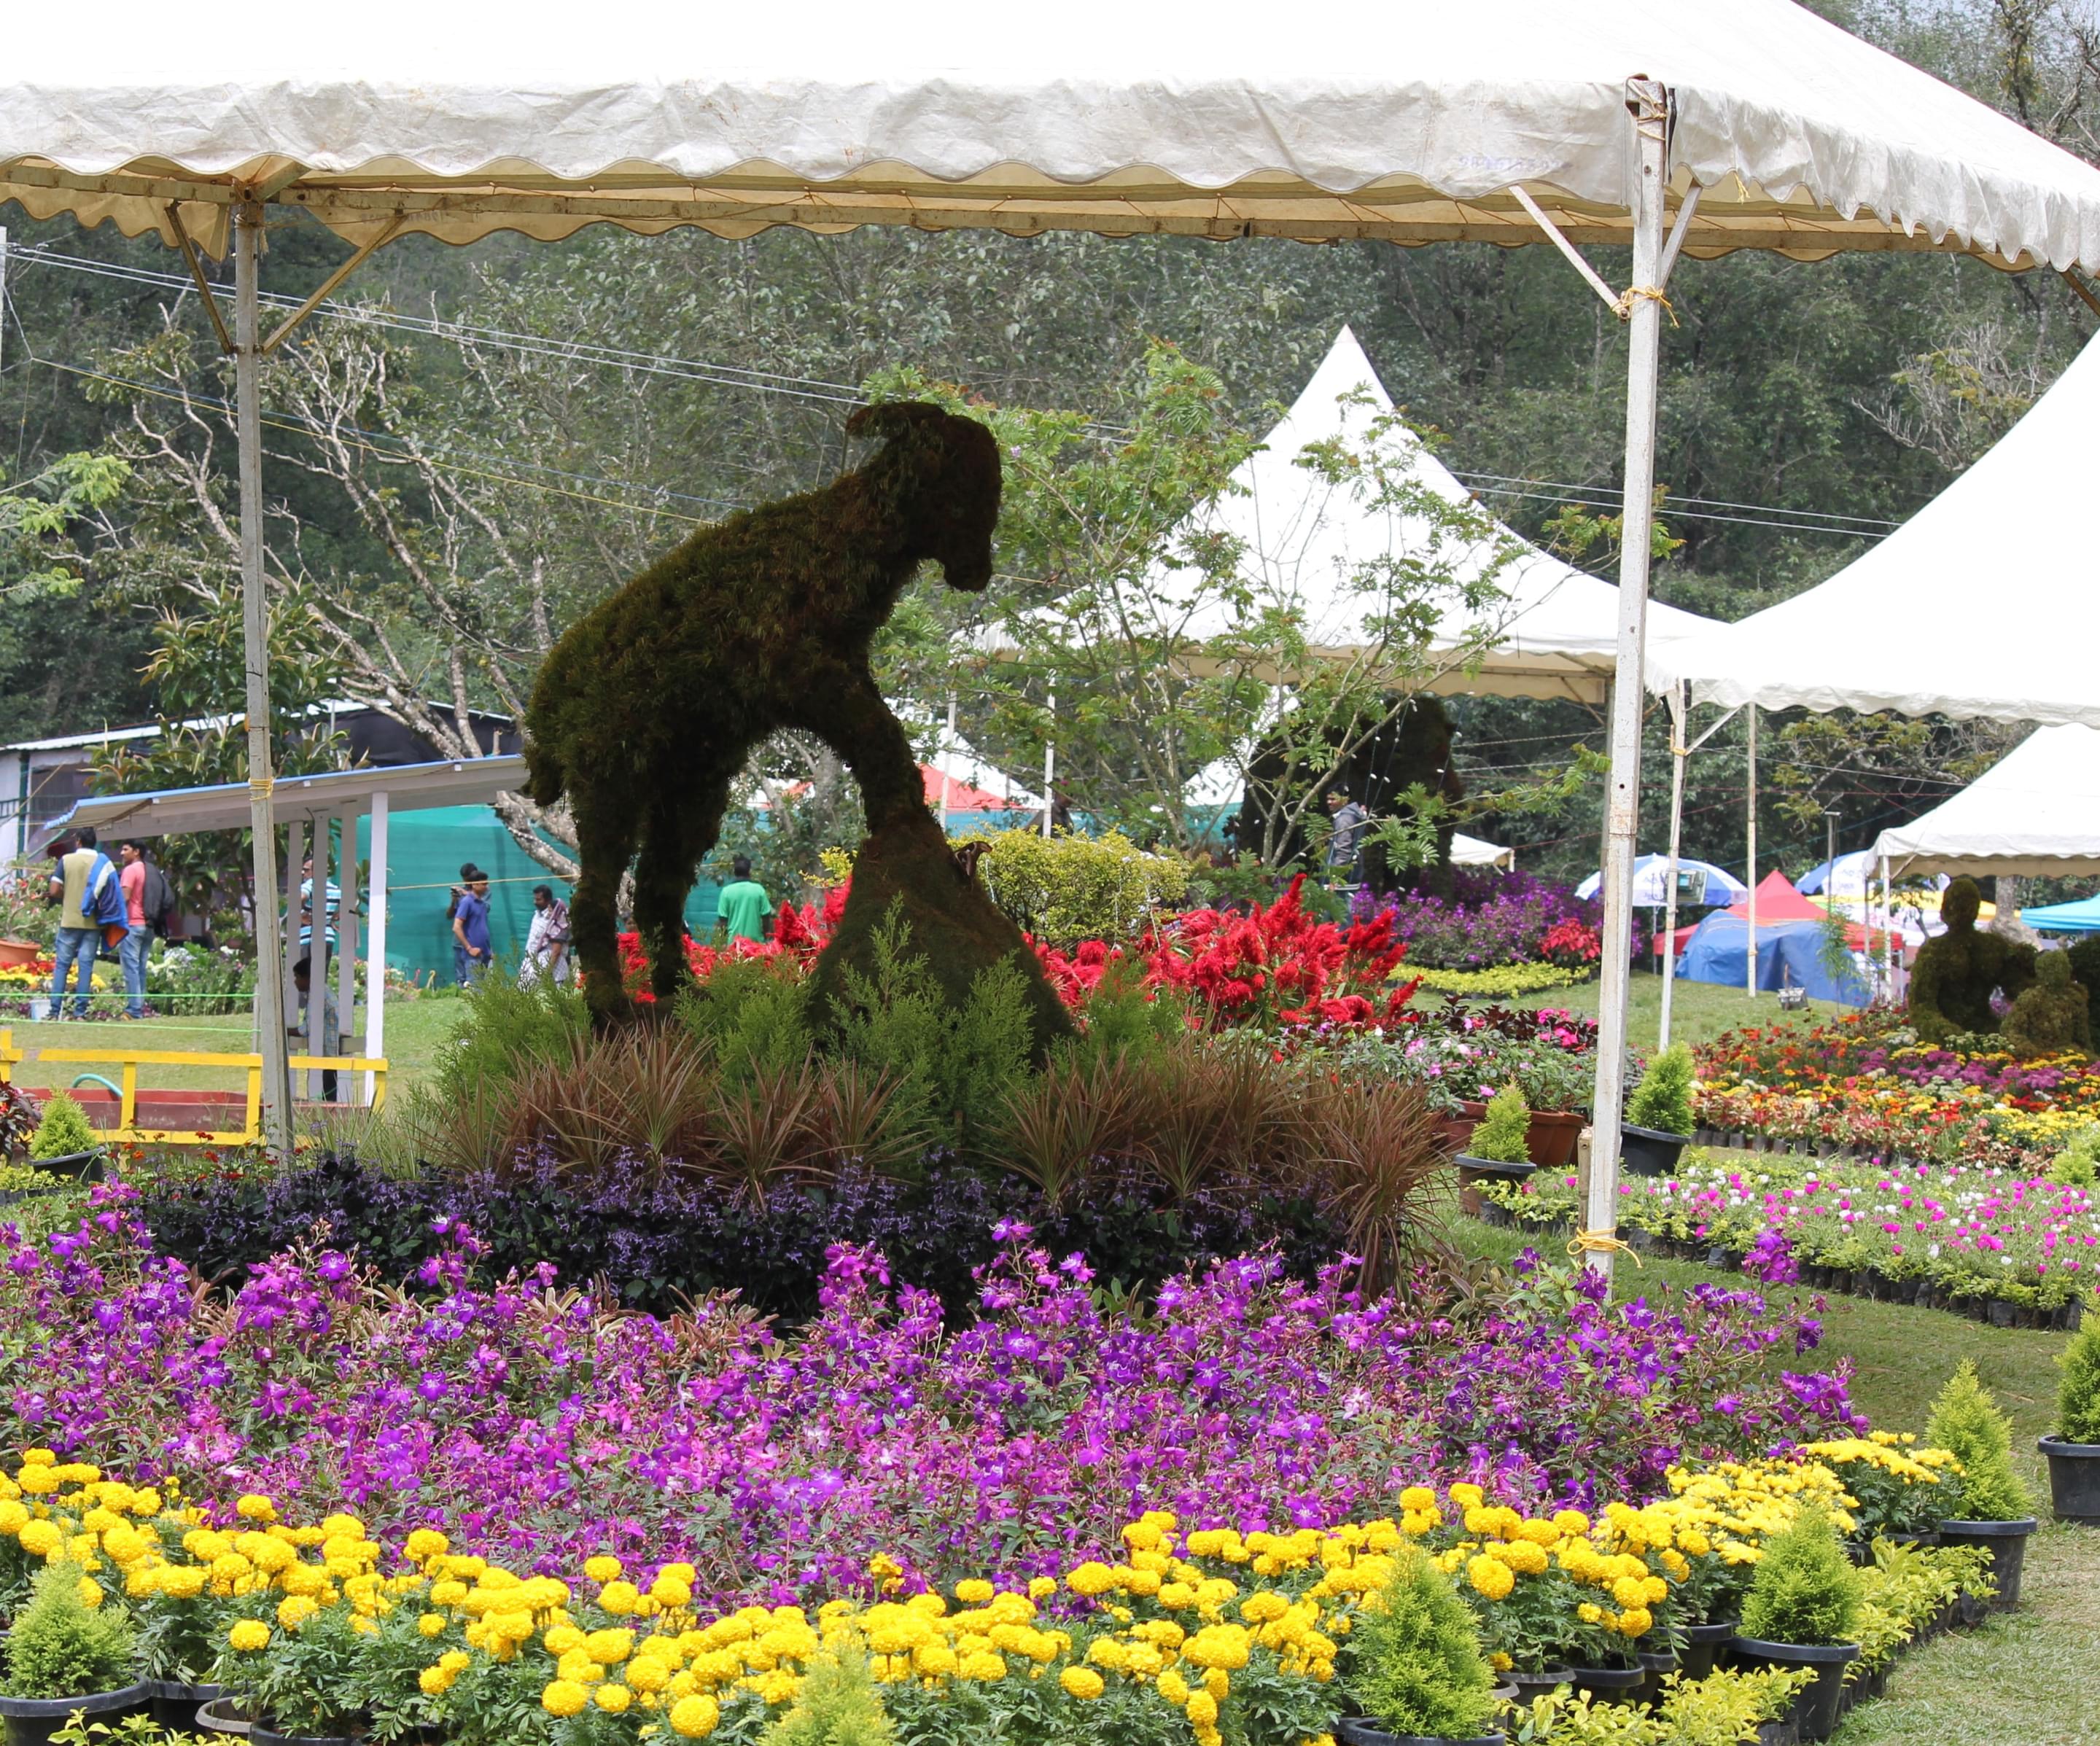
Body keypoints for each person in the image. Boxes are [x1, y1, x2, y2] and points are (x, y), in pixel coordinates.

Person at [44, 827, 117, 1020]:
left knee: (62, 966)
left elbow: (53, 890)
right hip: (93, 924)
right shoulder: (102, 863)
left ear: (78, 841)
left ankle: (54, 1012)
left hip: (69, 921)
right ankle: (80, 1013)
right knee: (86, 967)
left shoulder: (66, 861)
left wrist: (67, 897)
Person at [290, 954, 341, 1101]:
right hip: (332, 1054)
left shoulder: (319, 996)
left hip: (329, 1057)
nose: (295, 981)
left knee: (328, 1100)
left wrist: (283, 1030)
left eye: (297, 977)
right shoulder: (324, 992)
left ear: (307, 977)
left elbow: (306, 1029)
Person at [117, 841, 153, 1020]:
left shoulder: (130, 870)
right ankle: (140, 1007)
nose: (122, 853)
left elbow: (125, 896)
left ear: (136, 852)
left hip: (132, 924)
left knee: (130, 968)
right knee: (140, 968)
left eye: (126, 849)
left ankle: (134, 1009)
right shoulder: (149, 870)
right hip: (148, 925)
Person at [715, 855, 771, 946]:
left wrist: (724, 943)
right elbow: (766, 917)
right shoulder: (759, 890)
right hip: (756, 945)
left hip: (734, 946)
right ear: (749, 871)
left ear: (734, 872)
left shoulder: (726, 892)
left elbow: (723, 921)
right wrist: (766, 937)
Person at [522, 884, 572, 986]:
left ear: (548, 900)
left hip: (552, 967)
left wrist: (547, 972)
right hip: (532, 963)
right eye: (534, 899)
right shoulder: (536, 916)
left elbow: (556, 951)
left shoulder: (557, 923)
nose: (535, 902)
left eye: (539, 900)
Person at [452, 869, 493, 982]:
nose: (487, 887)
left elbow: (482, 928)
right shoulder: (466, 902)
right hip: (473, 956)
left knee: (485, 991)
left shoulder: (483, 904)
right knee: (476, 991)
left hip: (485, 954)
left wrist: (489, 951)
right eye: (484, 884)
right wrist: (469, 948)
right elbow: (456, 927)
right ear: (474, 885)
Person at [447, 863, 484, 986]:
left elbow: (484, 907)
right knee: (461, 978)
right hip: (459, 941)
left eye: (468, 879)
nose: (466, 882)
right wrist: (454, 901)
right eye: (464, 879)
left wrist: (465, 894)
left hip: (474, 941)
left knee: (475, 979)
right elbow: (449, 915)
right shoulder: (463, 893)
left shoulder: (484, 891)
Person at [1324, 788, 1367, 890]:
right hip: (1352, 876)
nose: (1329, 802)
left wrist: (1334, 878)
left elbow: (1343, 850)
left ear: (1345, 800)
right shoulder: (1354, 815)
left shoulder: (1344, 820)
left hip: (1342, 882)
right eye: (1328, 799)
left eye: (1333, 799)